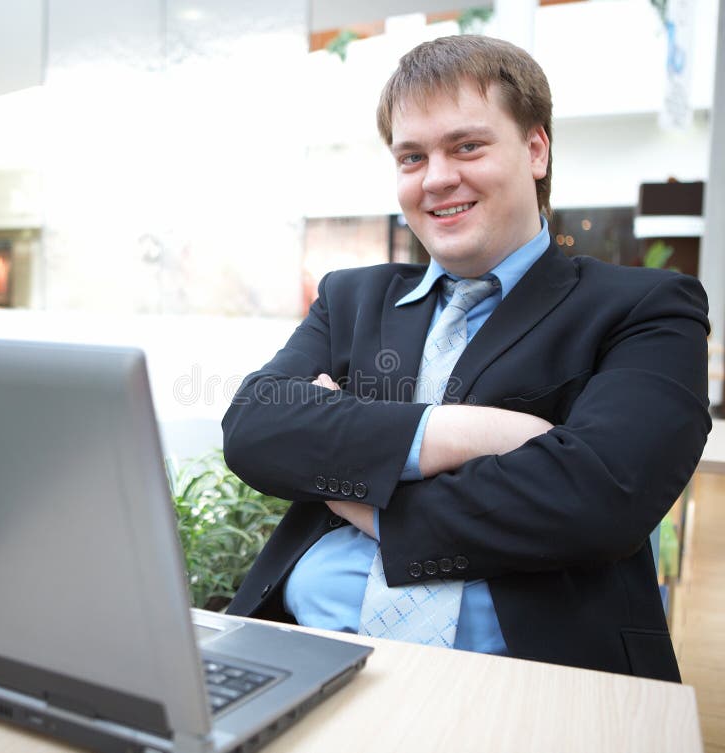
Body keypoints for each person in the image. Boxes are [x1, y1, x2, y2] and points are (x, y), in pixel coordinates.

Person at [221, 34, 710, 681]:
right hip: (311, 660)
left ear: (536, 149)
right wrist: (463, 433)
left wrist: (358, 491)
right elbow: (254, 427)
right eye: (412, 156)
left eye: (467, 146)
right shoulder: (352, 297)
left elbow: (601, 493)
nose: (438, 178)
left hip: (536, 685)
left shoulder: (645, 305)